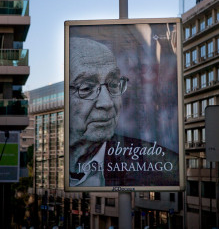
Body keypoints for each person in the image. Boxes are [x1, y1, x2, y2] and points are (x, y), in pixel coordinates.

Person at [69, 37, 179, 187]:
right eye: (86, 88)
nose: (107, 103)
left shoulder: (162, 166)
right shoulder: (58, 163)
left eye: (113, 84)